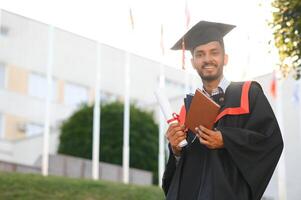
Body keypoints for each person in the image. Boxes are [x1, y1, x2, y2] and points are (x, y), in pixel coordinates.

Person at [162, 20, 284, 200]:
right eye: (200, 54)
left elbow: (270, 141)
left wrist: (227, 139)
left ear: (225, 58)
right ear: (193, 62)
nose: (207, 59)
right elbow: (179, 172)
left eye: (214, 52)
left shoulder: (248, 94)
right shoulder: (187, 109)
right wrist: (175, 151)